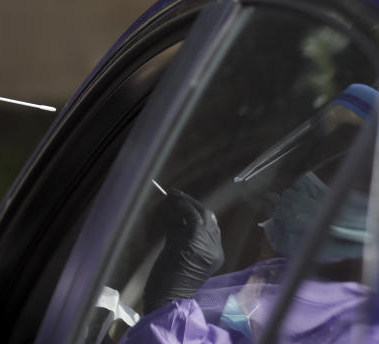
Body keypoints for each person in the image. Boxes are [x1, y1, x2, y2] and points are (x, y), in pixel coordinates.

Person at [119, 85, 378, 343]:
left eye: (339, 173)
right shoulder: (283, 283)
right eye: (320, 160)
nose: (300, 182)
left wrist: (172, 311)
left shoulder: (360, 330)